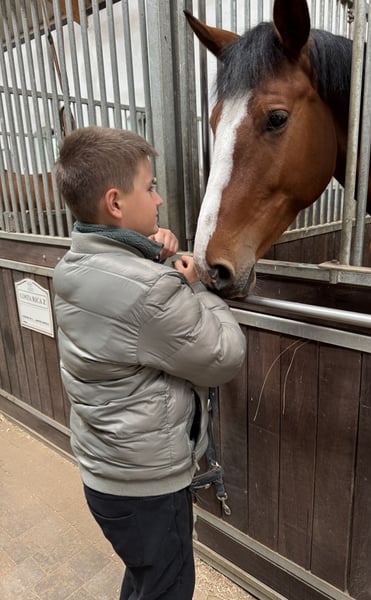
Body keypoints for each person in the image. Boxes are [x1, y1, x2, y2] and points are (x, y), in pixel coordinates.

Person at [52, 126, 246, 600]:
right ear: (115, 203)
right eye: (151, 187)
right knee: (169, 586)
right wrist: (196, 286)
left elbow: (129, 315)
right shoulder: (151, 290)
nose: (159, 199)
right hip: (148, 488)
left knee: (145, 578)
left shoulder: (72, 266)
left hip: (106, 474)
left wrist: (150, 255)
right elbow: (224, 356)